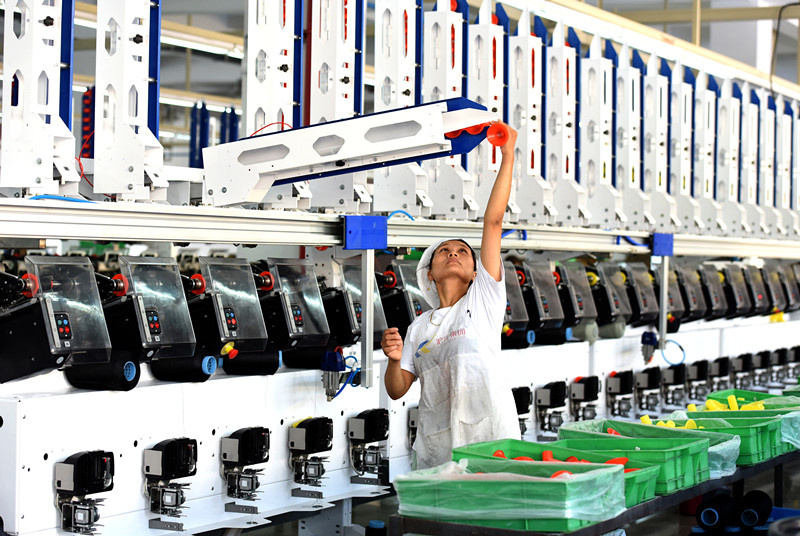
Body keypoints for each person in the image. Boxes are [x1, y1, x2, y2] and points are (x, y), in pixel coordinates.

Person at [381, 122, 521, 469]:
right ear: (429, 272)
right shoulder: (420, 327)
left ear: (477, 272)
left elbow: (493, 223)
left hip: (490, 444)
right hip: (436, 449)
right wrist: (394, 360)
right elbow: (398, 390)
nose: (454, 253)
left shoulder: (483, 302)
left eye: (462, 250)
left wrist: (507, 155)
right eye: (444, 251)